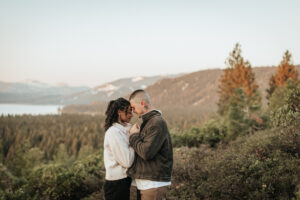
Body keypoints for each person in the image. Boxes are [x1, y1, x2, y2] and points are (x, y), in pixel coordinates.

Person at [127, 89, 173, 200]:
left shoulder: (156, 122)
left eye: (133, 107)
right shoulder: (148, 122)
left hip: (153, 185)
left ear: (142, 103)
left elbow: (146, 153)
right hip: (146, 183)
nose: (133, 111)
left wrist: (133, 136)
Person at [103, 97, 135, 200]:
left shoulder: (121, 131)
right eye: (129, 112)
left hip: (122, 181)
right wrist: (133, 138)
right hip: (116, 184)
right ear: (119, 112)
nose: (131, 115)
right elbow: (127, 161)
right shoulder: (114, 132)